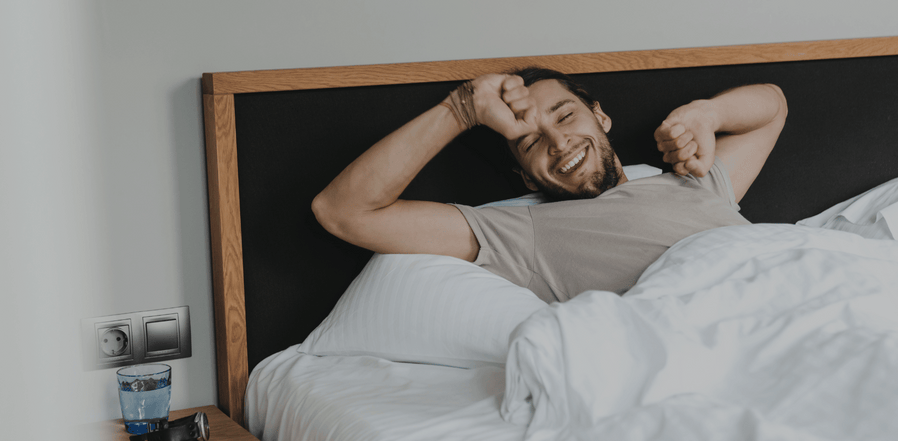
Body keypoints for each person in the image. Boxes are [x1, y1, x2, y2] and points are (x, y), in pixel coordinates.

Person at [312, 68, 787, 303]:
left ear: (599, 116)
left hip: (792, 286)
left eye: (565, 116)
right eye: (531, 141)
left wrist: (708, 113)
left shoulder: (694, 180)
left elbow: (774, 106)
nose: (560, 143)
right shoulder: (524, 232)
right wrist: (461, 109)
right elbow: (343, 211)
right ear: (523, 175)